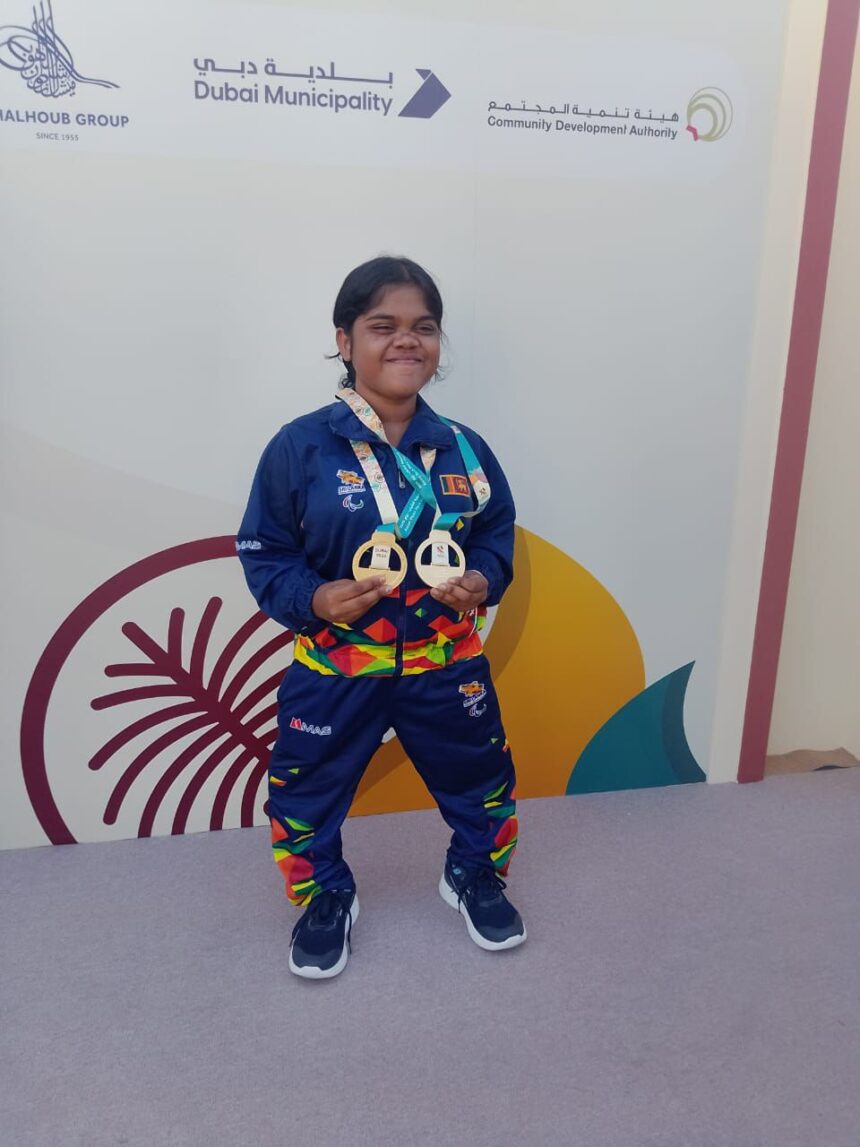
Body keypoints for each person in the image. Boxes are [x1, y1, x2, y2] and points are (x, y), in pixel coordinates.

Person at [237, 255, 525, 979]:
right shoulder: (300, 446)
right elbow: (265, 550)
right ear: (345, 340)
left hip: (445, 663)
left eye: (423, 327)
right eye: (383, 325)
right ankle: (324, 894)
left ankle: (474, 873)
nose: (406, 340)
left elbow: (496, 534)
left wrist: (482, 579)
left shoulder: (464, 448)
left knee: (481, 779)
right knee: (306, 793)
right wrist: (314, 600)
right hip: (336, 667)